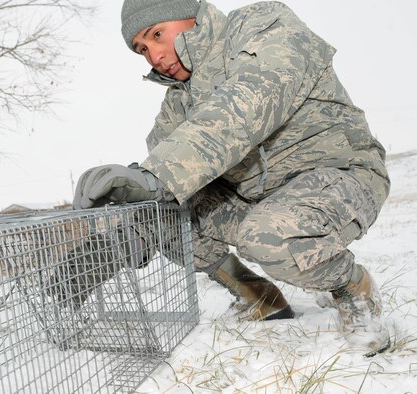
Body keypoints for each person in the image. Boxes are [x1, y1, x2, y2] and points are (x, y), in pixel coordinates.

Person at [73, 0, 390, 356]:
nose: (155, 56)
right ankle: (258, 295)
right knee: (164, 209)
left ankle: (351, 287)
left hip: (340, 175)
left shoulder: (264, 26)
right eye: (142, 50)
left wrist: (156, 176)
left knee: (267, 235)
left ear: (191, 13)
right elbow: (158, 181)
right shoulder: (179, 101)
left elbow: (247, 106)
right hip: (260, 198)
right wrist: (89, 261)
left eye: (157, 35)